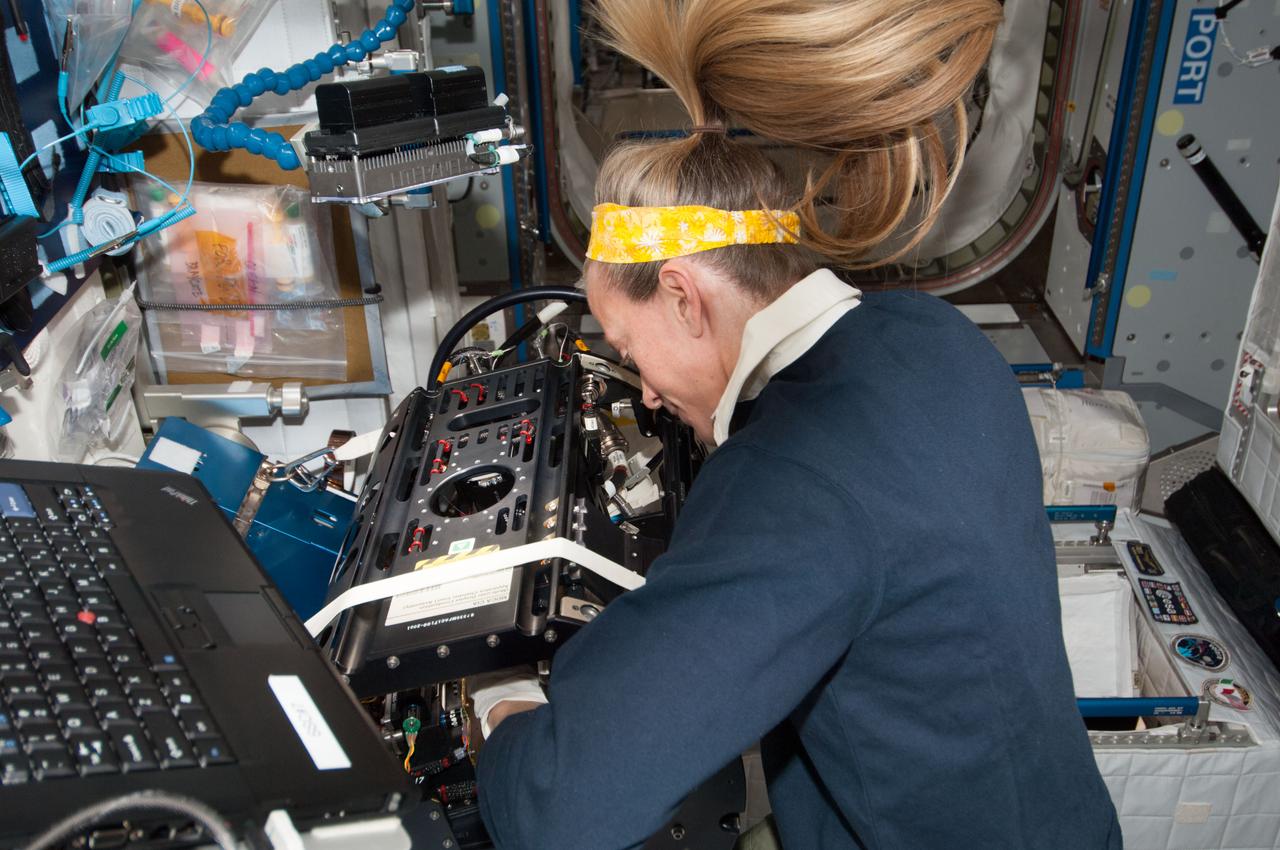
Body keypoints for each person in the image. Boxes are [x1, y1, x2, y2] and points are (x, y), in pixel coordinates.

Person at [472, 0, 1124, 847]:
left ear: (682, 294)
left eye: (632, 351)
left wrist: (503, 710)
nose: (650, 394)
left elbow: (565, 809)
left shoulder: (795, 481)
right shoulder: (932, 336)